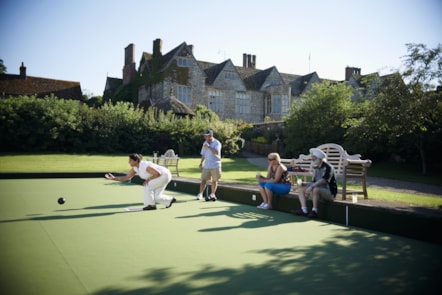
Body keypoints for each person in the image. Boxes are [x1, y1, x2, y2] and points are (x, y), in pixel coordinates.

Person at [105, 153, 176, 210]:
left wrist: (148, 180)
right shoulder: (135, 168)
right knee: (156, 196)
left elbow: (157, 173)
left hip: (164, 175)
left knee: (147, 185)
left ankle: (151, 205)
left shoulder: (145, 166)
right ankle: (170, 200)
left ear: (136, 161)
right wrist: (114, 178)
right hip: (161, 176)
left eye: (130, 160)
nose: (128, 162)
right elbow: (127, 178)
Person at [292, 148, 337, 218]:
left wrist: (311, 186)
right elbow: (314, 182)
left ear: (319, 158)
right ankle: (304, 210)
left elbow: (324, 180)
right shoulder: (316, 168)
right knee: (301, 188)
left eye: (314, 157)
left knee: (315, 189)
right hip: (318, 190)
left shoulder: (328, 167)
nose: (312, 159)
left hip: (330, 193)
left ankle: (314, 211)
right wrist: (304, 183)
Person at [196, 129, 222, 201]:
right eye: (205, 136)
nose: (205, 137)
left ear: (211, 136)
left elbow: (216, 152)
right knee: (203, 180)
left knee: (214, 180)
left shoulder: (217, 143)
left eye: (206, 136)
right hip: (207, 165)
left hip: (215, 164)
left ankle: (213, 194)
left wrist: (209, 147)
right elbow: (203, 154)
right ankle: (200, 194)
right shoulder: (205, 143)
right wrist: (201, 162)